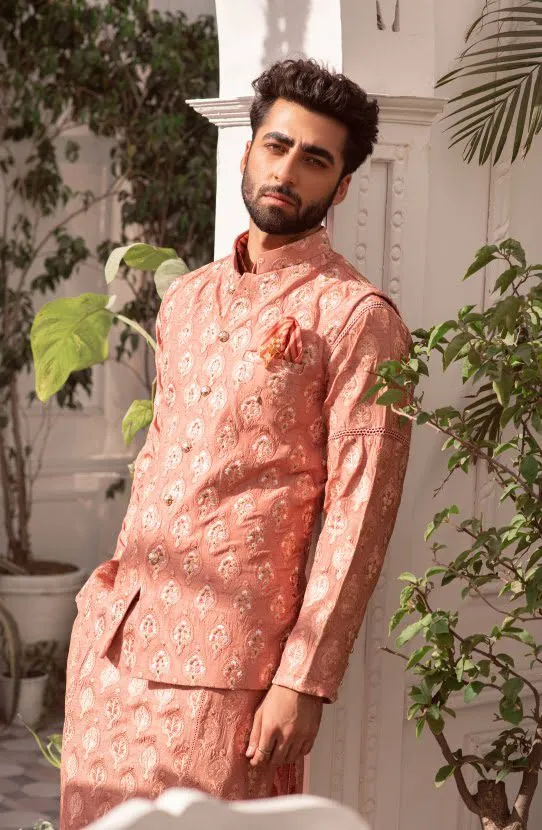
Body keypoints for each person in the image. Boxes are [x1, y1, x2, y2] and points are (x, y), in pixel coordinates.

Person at [60, 57, 413, 828]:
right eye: (277, 146)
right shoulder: (186, 298)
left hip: (230, 666)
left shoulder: (359, 318)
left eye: (316, 159)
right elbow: (161, 460)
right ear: (248, 150)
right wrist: (100, 611)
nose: (289, 170)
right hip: (112, 651)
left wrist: (304, 681)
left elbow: (361, 515)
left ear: (342, 185)